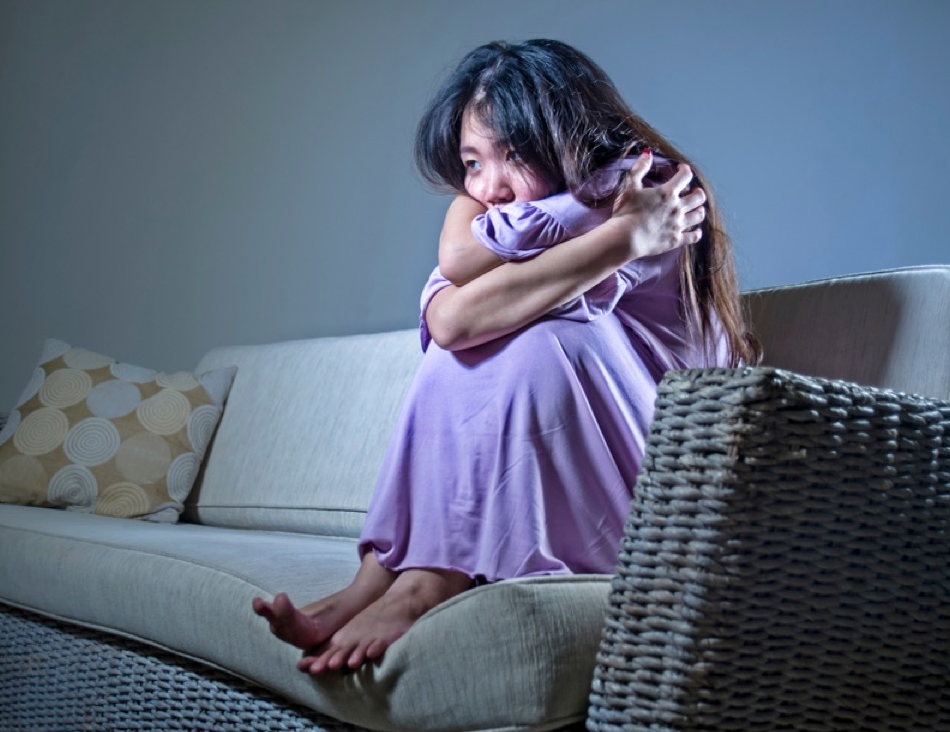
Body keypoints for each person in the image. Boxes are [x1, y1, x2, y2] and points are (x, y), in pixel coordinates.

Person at [253, 39, 759, 675]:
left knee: (538, 342)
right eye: (471, 163)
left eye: (512, 155)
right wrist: (614, 240)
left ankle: (426, 583)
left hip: (663, 479)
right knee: (476, 347)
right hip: (594, 453)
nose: (489, 188)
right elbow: (453, 298)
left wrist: (628, 230)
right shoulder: (567, 214)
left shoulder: (648, 193)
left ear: (569, 139)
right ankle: (369, 586)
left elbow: (459, 312)